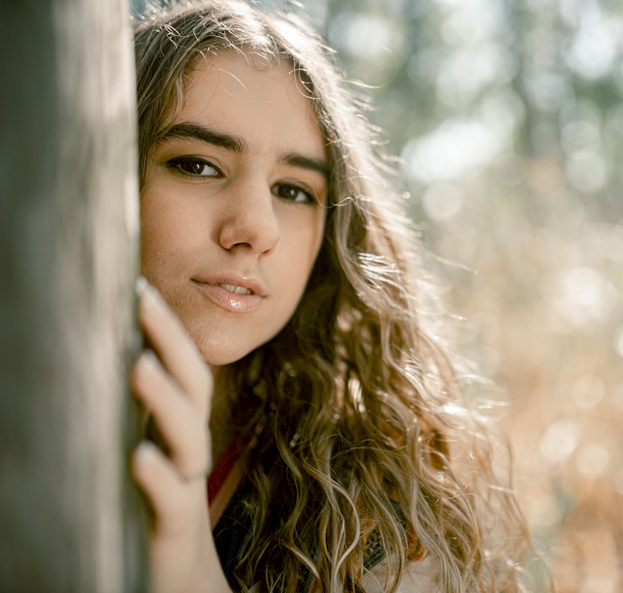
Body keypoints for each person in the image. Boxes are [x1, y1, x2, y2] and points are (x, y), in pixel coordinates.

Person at [128, 1, 531, 592]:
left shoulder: (379, 513)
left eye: (293, 190)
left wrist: (188, 561)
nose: (256, 228)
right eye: (198, 165)